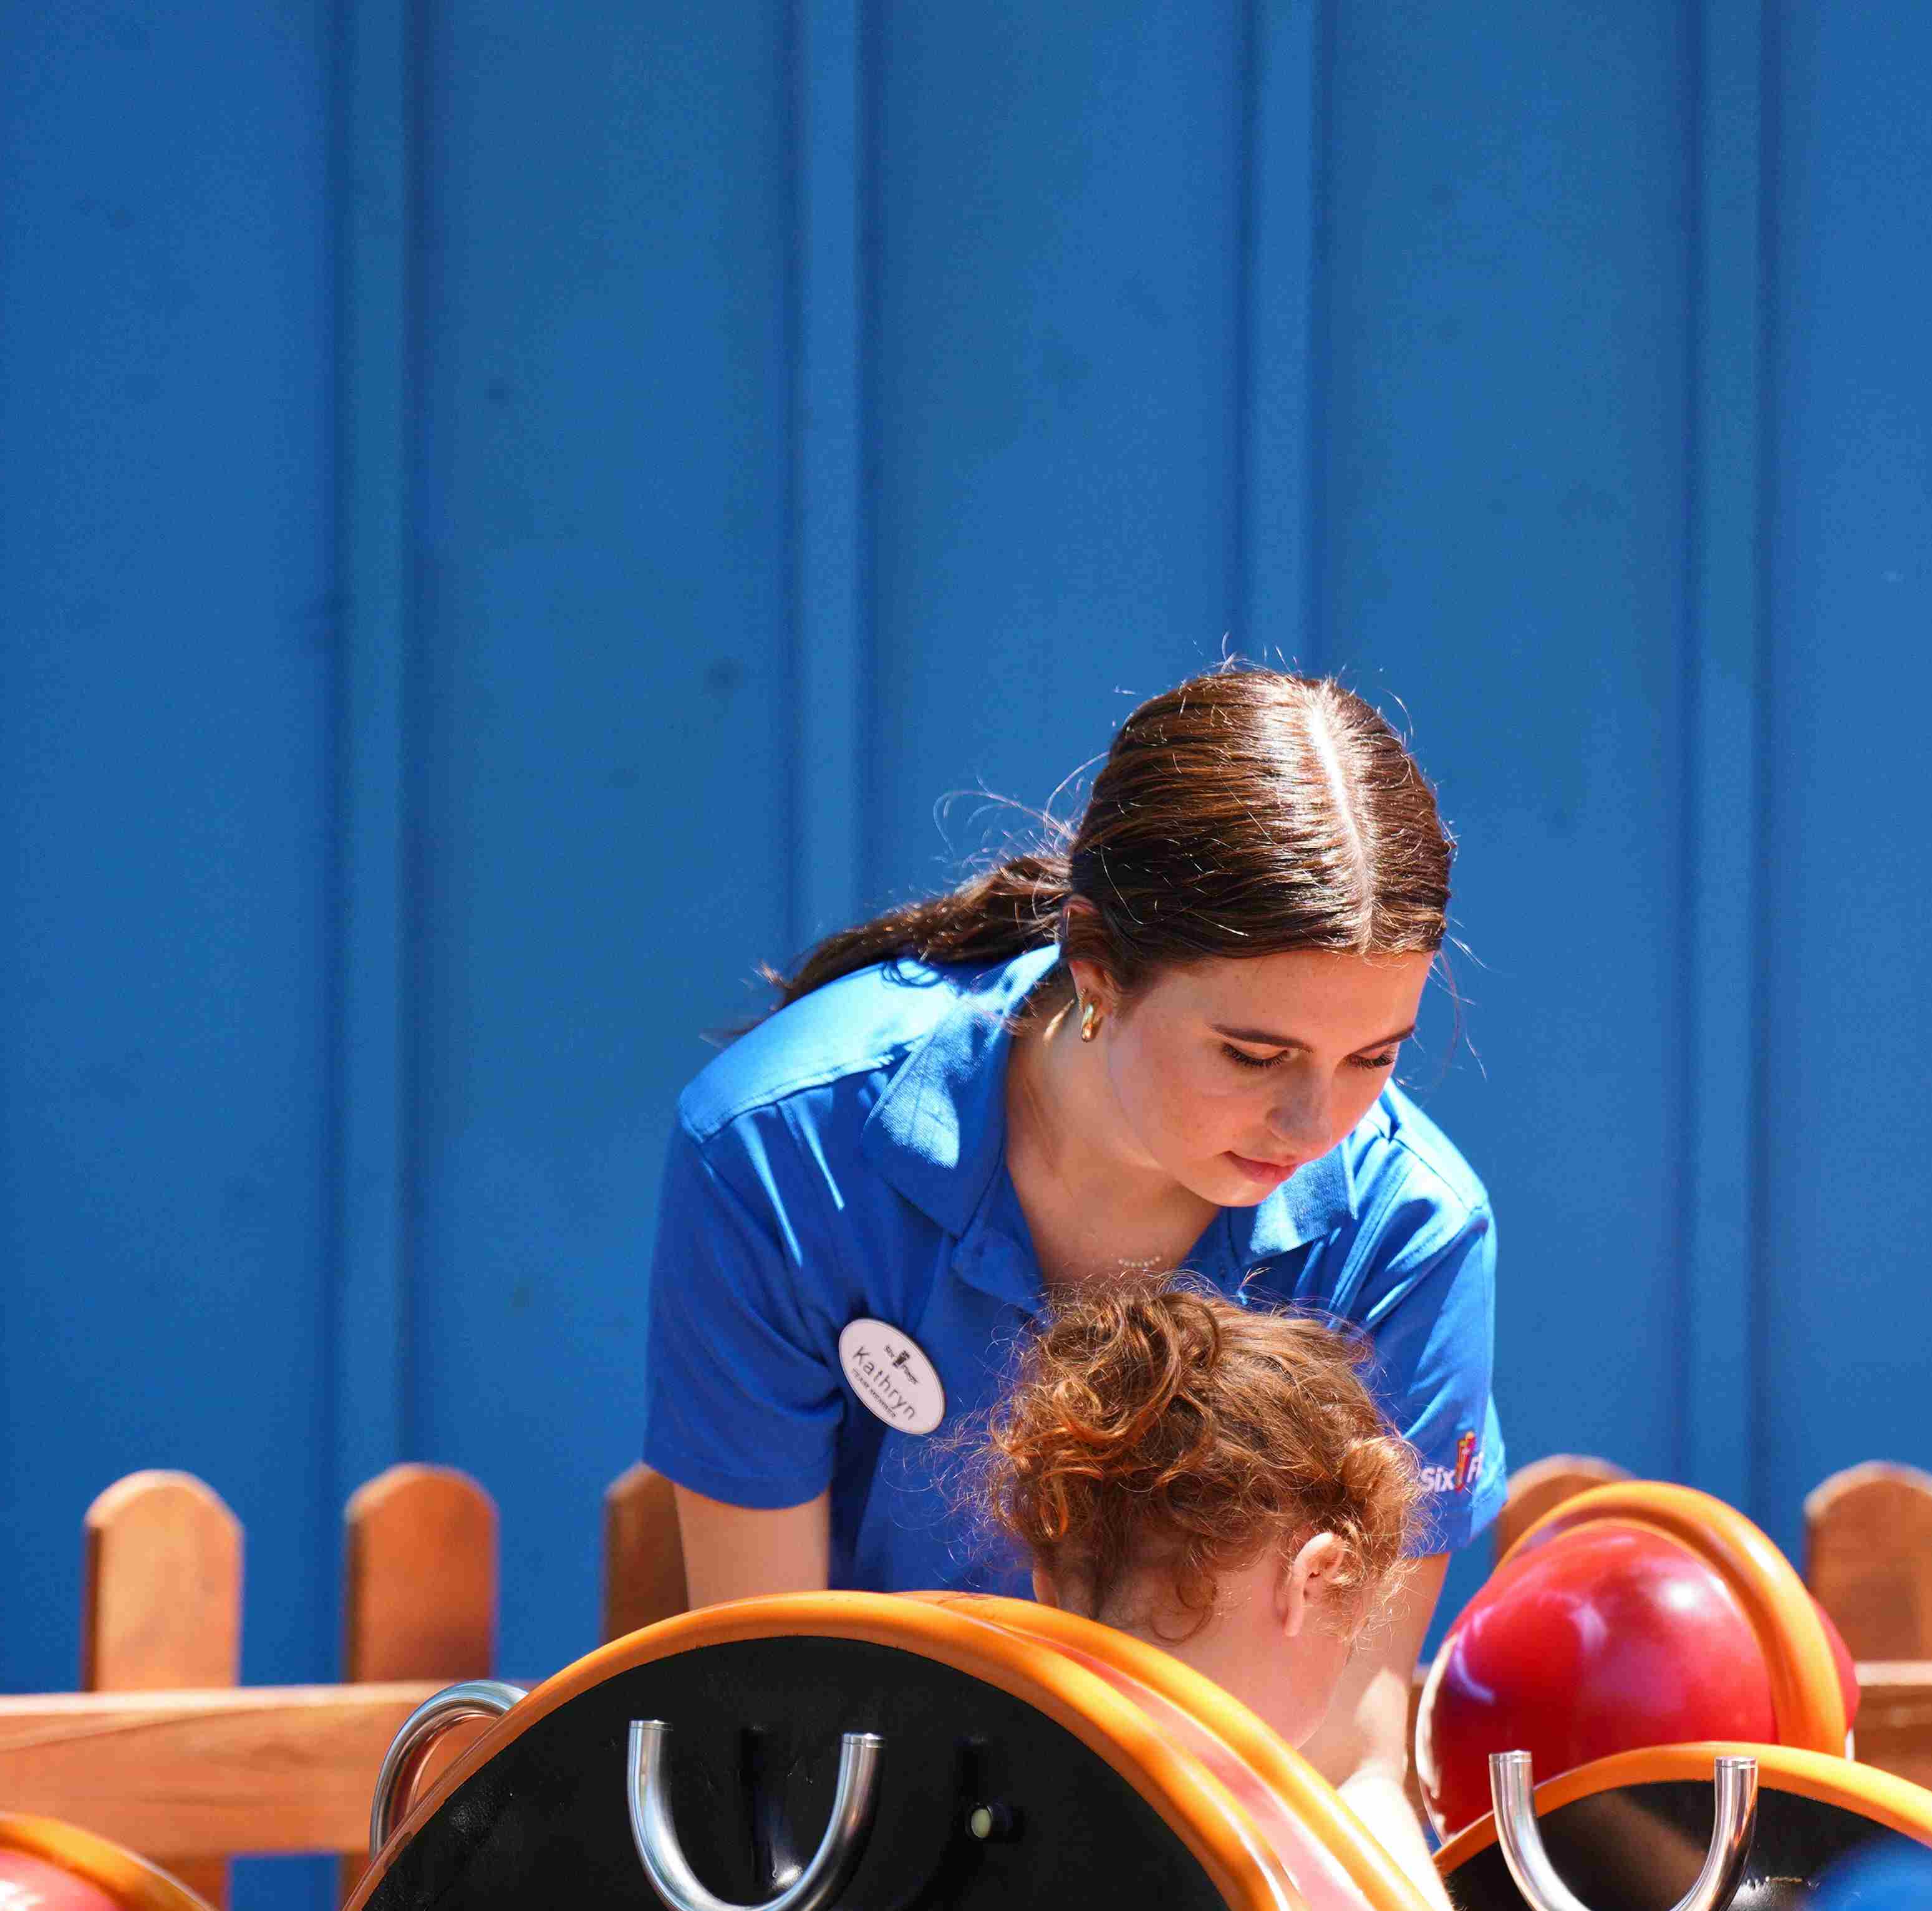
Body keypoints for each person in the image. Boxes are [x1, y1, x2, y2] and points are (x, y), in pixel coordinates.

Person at [642, 665, 1505, 1788]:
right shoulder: (780, 1151)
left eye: (1373, 1058)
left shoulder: (1412, 1232)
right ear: (1094, 964)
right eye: (1254, 1055)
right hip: (858, 1815)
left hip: (1216, 1840)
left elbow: (1348, 1757)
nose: (1314, 1124)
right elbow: (777, 1704)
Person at [982, 1280, 1434, 1844]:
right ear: (1311, 1578)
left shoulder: (967, 1776)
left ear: (1046, 1591)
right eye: (1348, 1643)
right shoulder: (1260, 1853)